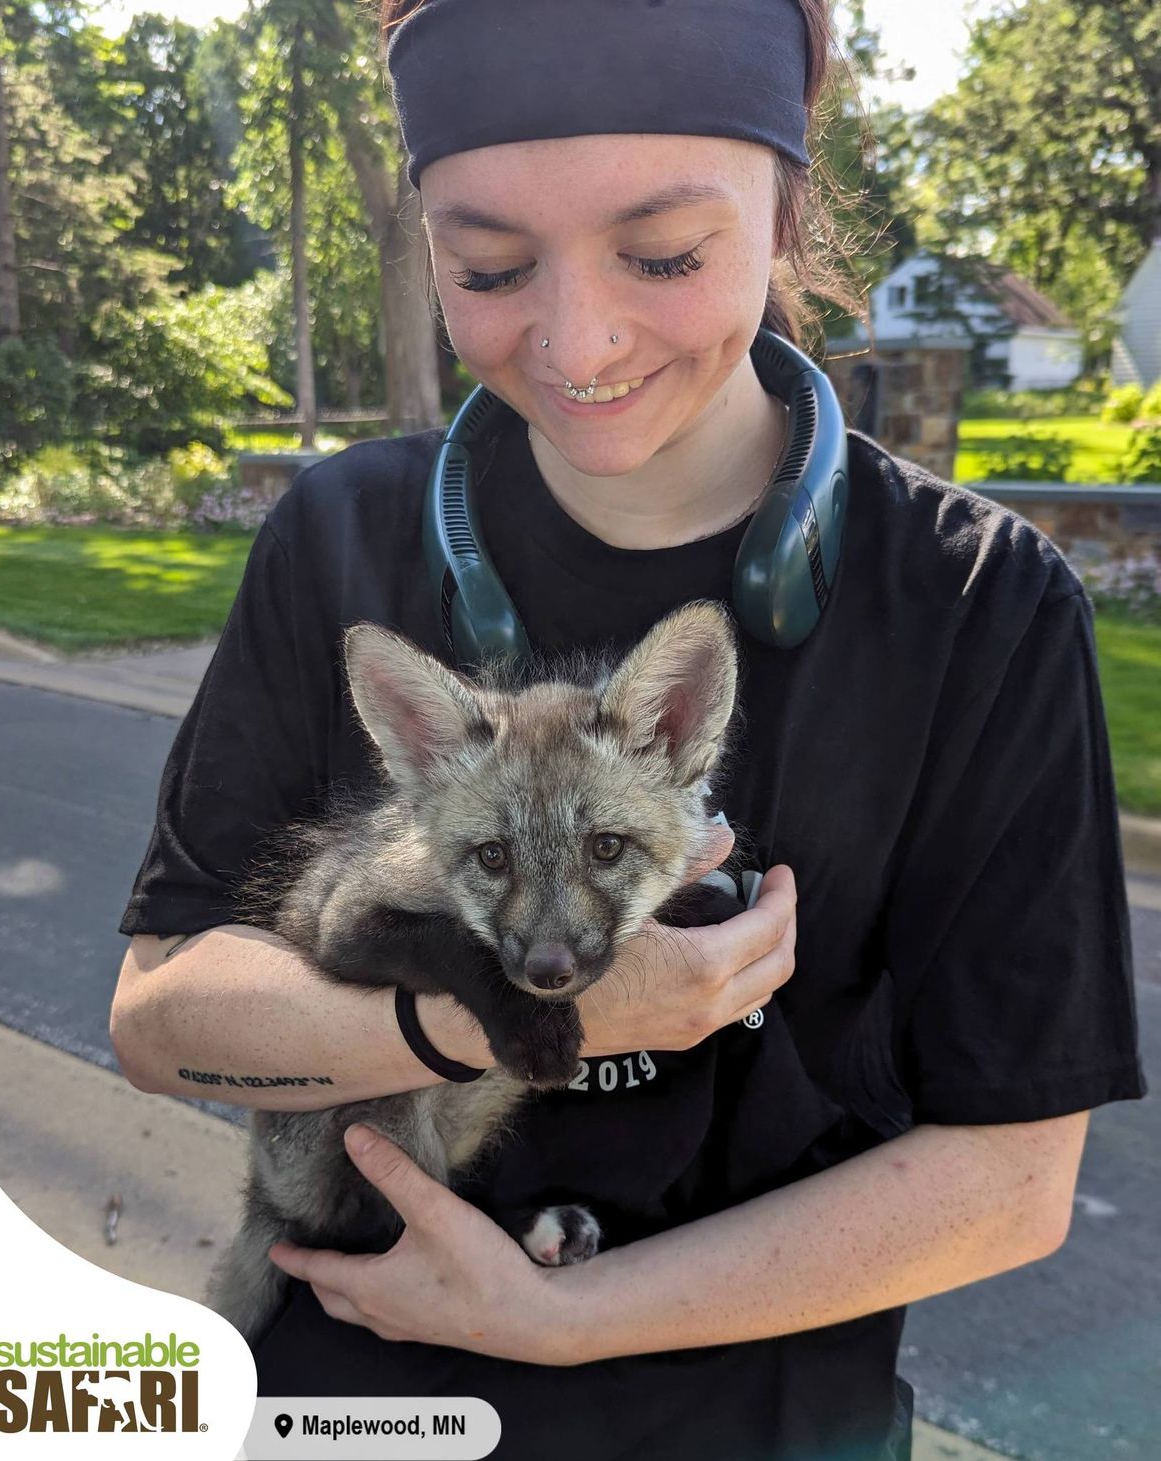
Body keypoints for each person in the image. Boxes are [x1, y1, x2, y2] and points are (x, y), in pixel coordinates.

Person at [109, 1, 1146, 1457]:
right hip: (344, 1408)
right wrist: (512, 1012)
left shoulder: (979, 606)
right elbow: (163, 1019)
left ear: (786, 211)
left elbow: (1011, 1179)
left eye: (662, 253)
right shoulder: (336, 537)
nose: (576, 340)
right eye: (488, 265)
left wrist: (550, 1318)